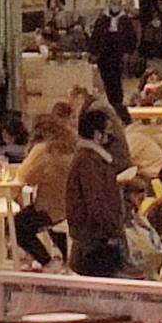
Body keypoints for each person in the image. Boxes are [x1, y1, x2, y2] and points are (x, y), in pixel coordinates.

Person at [65, 108, 127, 277]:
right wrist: (111, 229)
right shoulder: (89, 161)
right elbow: (96, 201)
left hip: (92, 237)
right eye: (107, 132)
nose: (110, 137)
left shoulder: (88, 157)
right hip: (94, 239)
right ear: (97, 134)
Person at [14, 115, 77, 266]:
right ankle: (65, 259)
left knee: (18, 225)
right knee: (56, 223)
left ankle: (46, 261)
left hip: (50, 209)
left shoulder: (42, 150)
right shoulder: (73, 148)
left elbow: (25, 177)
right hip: (73, 208)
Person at [90, 0, 138, 104]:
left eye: (118, 3)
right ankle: (110, 99)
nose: (116, 6)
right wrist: (94, 52)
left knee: (116, 79)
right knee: (106, 79)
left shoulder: (125, 21)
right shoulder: (102, 19)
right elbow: (96, 36)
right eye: (114, 3)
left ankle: (117, 101)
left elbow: (132, 38)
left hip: (118, 54)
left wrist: (128, 52)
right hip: (104, 54)